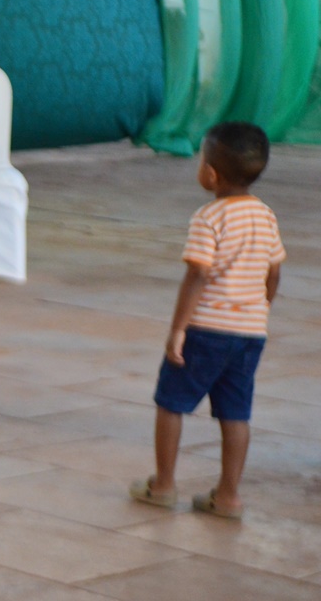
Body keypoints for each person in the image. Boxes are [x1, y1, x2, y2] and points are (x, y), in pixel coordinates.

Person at [129, 121, 284, 520]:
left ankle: (163, 485)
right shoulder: (265, 216)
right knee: (236, 414)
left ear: (211, 174)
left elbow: (197, 274)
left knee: (171, 403)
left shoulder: (209, 217)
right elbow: (273, 270)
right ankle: (228, 496)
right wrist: (261, 306)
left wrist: (178, 329)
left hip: (206, 331)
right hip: (250, 334)